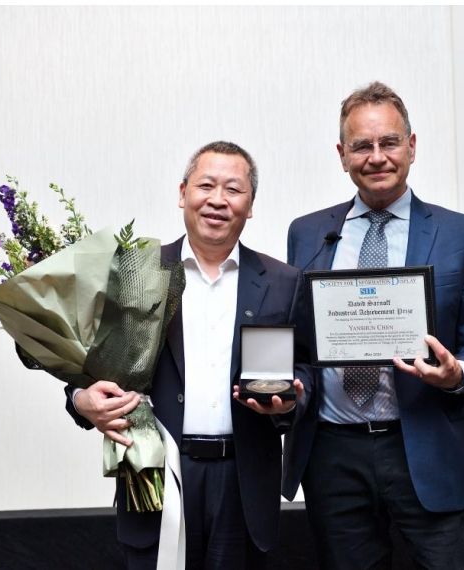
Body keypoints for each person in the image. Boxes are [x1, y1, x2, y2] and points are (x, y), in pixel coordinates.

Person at [283, 82, 464, 569]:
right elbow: (301, 347)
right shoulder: (307, 233)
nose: (377, 157)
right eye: (362, 145)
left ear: (412, 146)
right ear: (342, 155)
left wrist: (457, 374)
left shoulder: (461, 234)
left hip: (426, 446)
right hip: (333, 455)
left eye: (389, 142)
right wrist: (290, 386)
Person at [63, 141, 307, 570]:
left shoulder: (283, 281)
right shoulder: (135, 272)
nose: (218, 200)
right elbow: (88, 366)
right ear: (182, 193)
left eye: (234, 189)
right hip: (155, 473)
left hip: (243, 480)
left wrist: (290, 402)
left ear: (250, 205)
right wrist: (82, 400)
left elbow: (306, 368)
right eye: (206, 185)